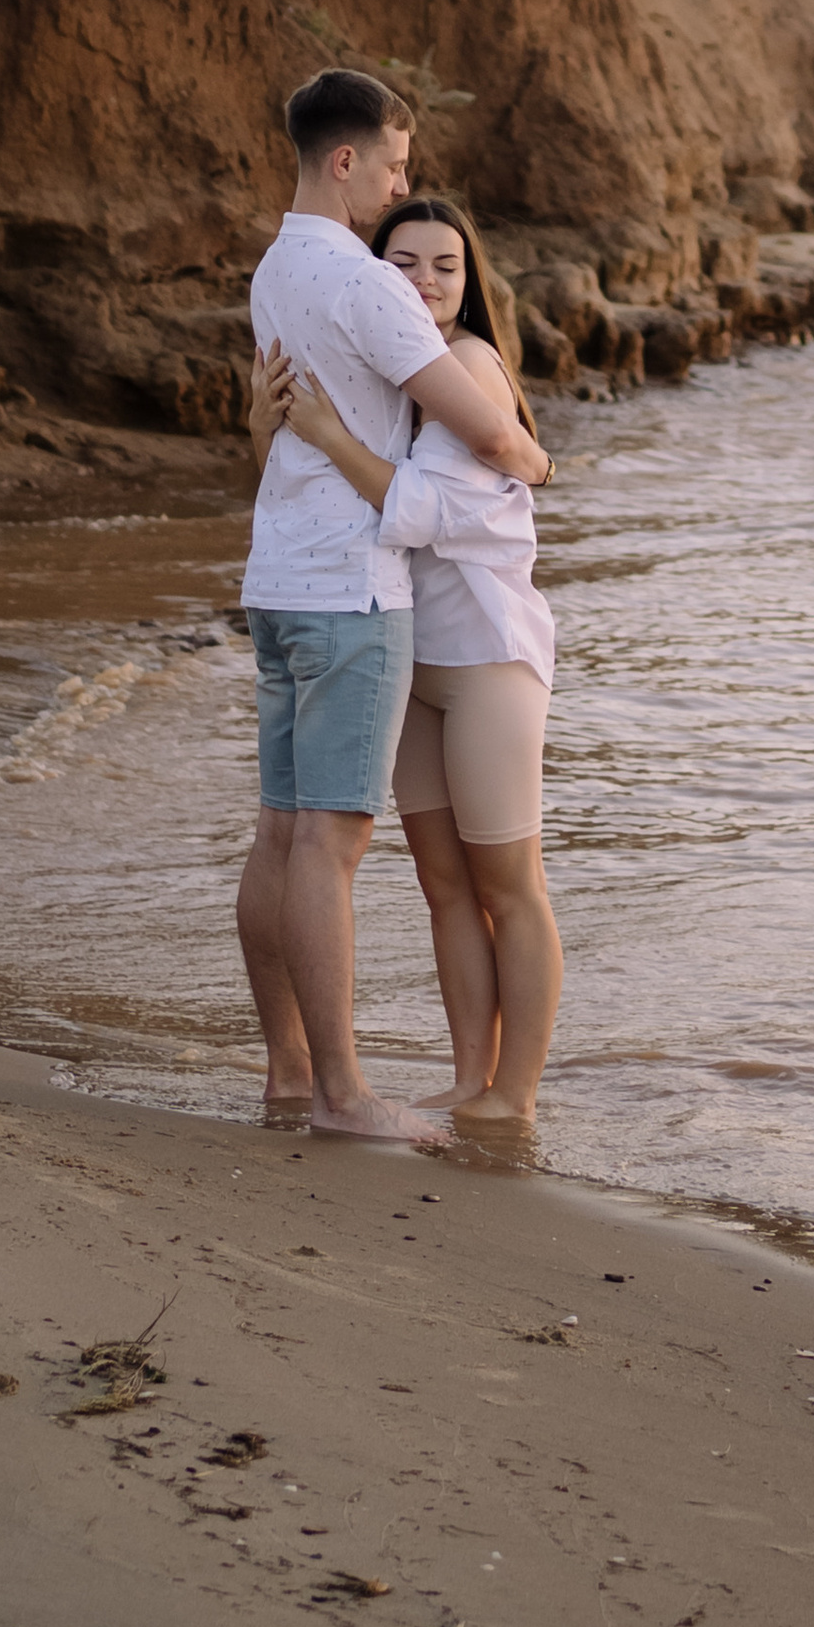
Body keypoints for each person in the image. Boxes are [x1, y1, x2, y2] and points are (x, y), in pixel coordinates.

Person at [236, 69, 537, 1141]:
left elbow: (263, 427)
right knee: (329, 845)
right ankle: (342, 1095)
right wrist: (532, 458)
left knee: (278, 836)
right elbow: (484, 427)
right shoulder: (366, 284)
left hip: (275, 581)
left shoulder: (274, 270)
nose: (404, 184)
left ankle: (286, 1073)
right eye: (397, 165)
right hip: (351, 590)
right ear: (348, 160)